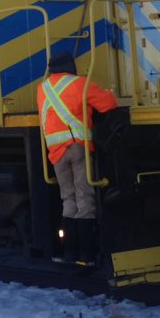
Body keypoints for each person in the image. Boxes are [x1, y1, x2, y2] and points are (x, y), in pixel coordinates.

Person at [37, 51, 118, 266]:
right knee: (85, 200)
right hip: (77, 149)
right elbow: (108, 104)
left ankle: (68, 254)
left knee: (68, 200)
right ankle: (87, 255)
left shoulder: (42, 88)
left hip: (55, 153)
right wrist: (110, 93)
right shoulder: (80, 84)